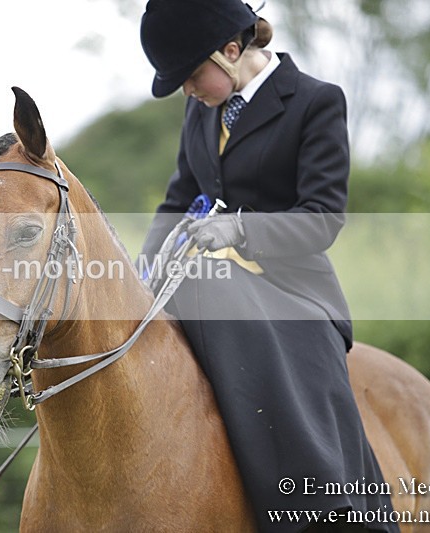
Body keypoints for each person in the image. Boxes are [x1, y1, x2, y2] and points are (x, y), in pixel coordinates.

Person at [138, 0, 397, 531]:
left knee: (210, 284)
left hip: (292, 292)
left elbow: (322, 219)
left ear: (231, 51)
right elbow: (178, 198)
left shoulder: (316, 101)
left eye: (191, 75)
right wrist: (139, 275)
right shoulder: (202, 110)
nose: (188, 90)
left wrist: (238, 230)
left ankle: (324, 507)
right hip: (205, 285)